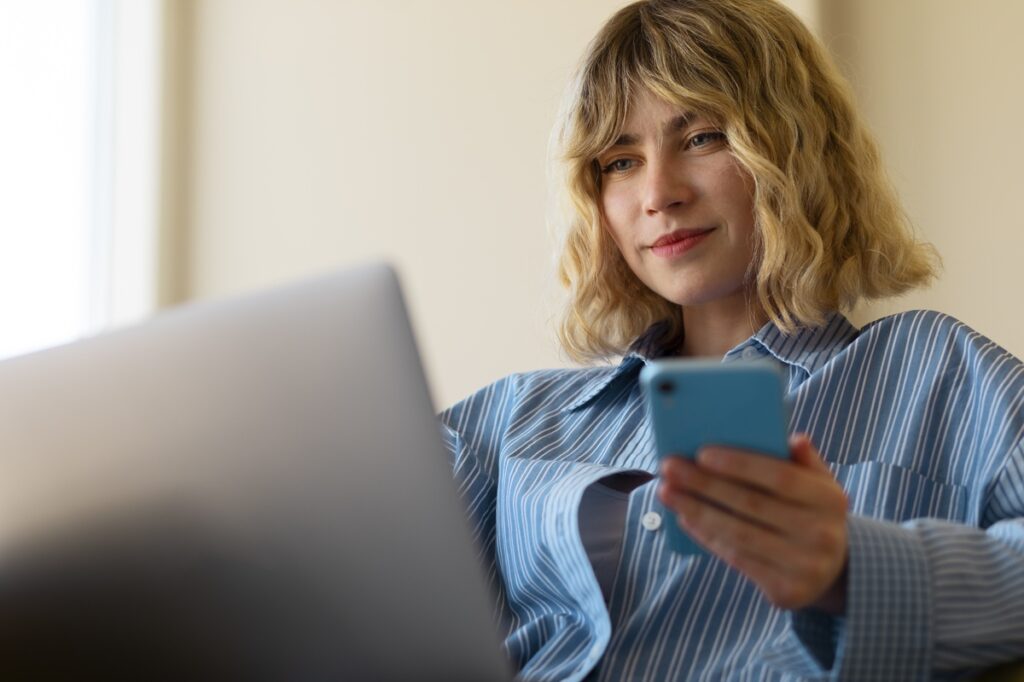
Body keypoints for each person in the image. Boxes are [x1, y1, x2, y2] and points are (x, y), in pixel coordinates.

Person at [439, 0, 1024, 680]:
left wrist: (852, 566)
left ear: (796, 148)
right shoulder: (506, 425)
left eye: (701, 138)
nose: (657, 193)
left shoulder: (938, 374)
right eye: (619, 162)